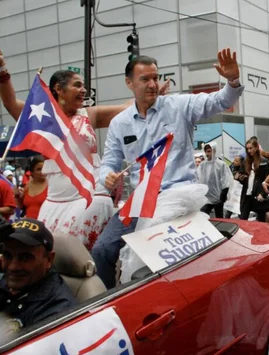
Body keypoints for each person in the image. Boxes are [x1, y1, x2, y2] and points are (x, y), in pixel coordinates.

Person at [92, 49, 243, 289]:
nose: (153, 84)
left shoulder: (180, 105)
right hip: (141, 201)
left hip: (179, 196)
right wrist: (106, 176)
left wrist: (232, 80)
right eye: (145, 79)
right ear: (129, 82)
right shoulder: (119, 123)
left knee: (148, 263)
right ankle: (108, 306)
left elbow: (220, 101)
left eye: (155, 77)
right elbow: (109, 162)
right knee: (102, 250)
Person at [0, 51, 169, 250]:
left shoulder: (90, 114)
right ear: (59, 89)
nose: (83, 90)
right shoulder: (41, 118)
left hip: (90, 197)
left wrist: (151, 94)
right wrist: (2, 68)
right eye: (77, 85)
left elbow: (127, 107)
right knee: (57, 256)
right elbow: (10, 103)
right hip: (55, 201)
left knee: (85, 255)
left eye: (83, 86)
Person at [0, 218, 76, 335]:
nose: (13, 267)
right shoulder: (10, 283)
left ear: (49, 260)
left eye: (25, 258)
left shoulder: (56, 311)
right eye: (8, 255)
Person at [196, 142, 233, 218]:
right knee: (203, 216)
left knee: (219, 218)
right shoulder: (203, 165)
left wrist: (223, 195)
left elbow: (226, 180)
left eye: (209, 151)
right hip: (206, 197)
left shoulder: (220, 164)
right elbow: (199, 178)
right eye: (206, 151)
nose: (207, 154)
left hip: (218, 197)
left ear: (214, 151)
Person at [238, 139, 269, 222]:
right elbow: (241, 175)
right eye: (247, 149)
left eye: (251, 148)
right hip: (247, 194)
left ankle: (263, 235)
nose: (249, 151)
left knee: (261, 221)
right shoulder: (245, 162)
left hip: (258, 194)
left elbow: (267, 180)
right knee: (243, 219)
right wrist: (239, 178)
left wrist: (263, 194)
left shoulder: (264, 161)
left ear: (256, 148)